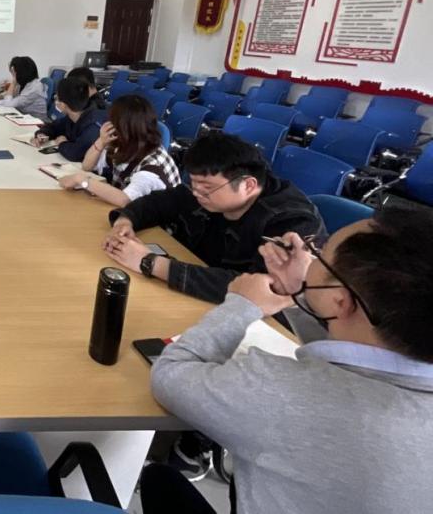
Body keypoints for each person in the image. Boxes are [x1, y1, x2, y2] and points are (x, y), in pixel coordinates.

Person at [141, 208, 433, 514]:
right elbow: (353, 347)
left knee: (158, 481)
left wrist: (242, 304)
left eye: (319, 254)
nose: (310, 256)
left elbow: (170, 374)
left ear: (340, 301)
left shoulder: (283, 390)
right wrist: (305, 294)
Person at [103, 131, 323, 303]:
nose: (196, 193)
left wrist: (149, 262)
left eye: (206, 188)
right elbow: (161, 202)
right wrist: (125, 221)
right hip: (193, 291)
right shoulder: (209, 189)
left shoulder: (292, 223)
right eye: (193, 184)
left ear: (248, 185)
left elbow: (256, 288)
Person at [58, 93, 180, 206]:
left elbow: (124, 199)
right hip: (130, 211)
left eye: (112, 121)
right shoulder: (123, 145)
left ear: (123, 127)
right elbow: (87, 166)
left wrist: (82, 180)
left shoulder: (153, 165)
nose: (109, 124)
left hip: (157, 220)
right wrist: (101, 141)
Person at [31, 76, 99, 161]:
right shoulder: (74, 115)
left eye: (57, 98)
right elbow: (54, 127)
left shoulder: (93, 124)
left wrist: (62, 143)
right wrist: (42, 134)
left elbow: (76, 154)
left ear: (63, 105)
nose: (55, 100)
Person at [0, 55, 47, 120]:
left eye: (13, 73)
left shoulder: (34, 88)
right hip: (24, 117)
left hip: (36, 122)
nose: (12, 75)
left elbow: (8, 104)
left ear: (21, 73)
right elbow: (11, 95)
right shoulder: (23, 83)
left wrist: (14, 81)